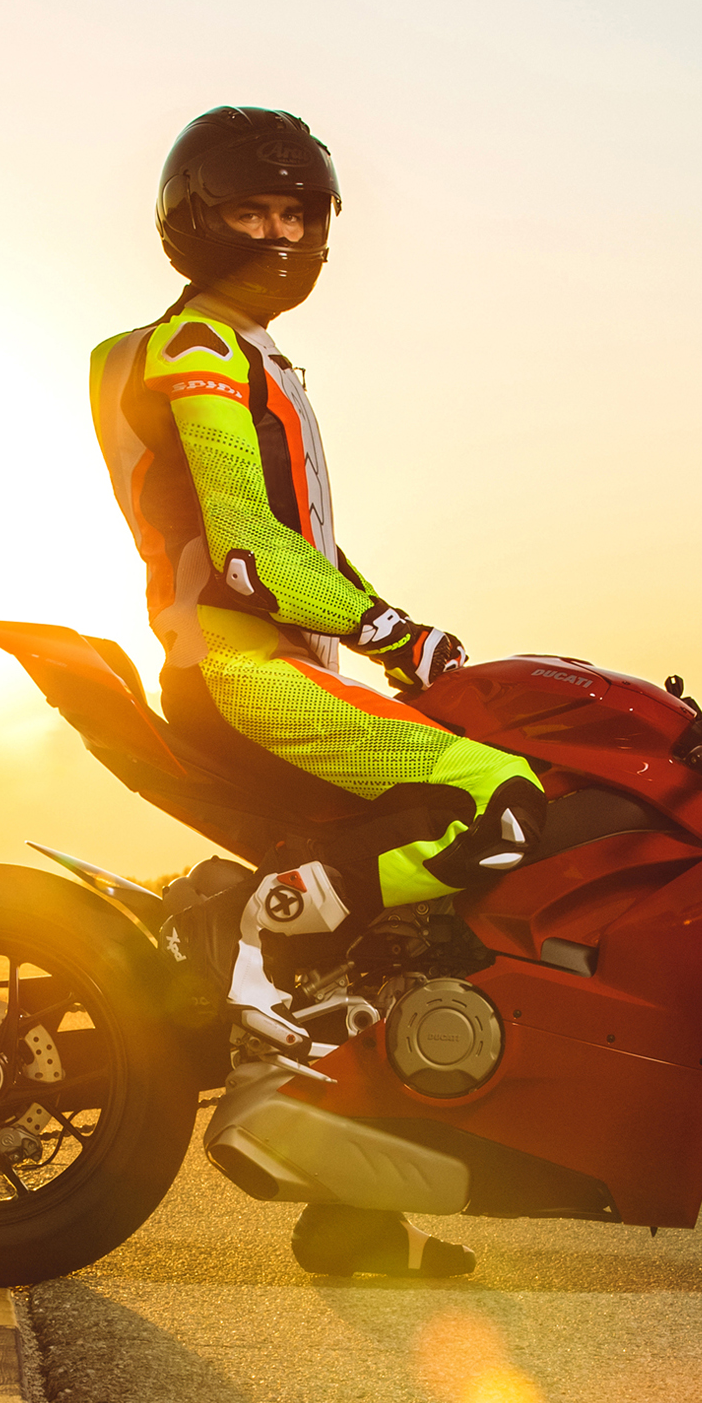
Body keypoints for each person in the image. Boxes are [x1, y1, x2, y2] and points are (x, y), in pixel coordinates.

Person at [90, 106, 544, 1277]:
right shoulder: (201, 350)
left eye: (300, 212)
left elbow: (315, 558)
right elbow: (249, 551)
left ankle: (353, 1212)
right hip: (242, 672)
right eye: (253, 210)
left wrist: (400, 638)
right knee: (504, 803)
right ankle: (258, 923)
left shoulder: (255, 352)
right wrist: (397, 632)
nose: (281, 232)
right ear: (194, 220)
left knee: (402, 928)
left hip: (292, 665)